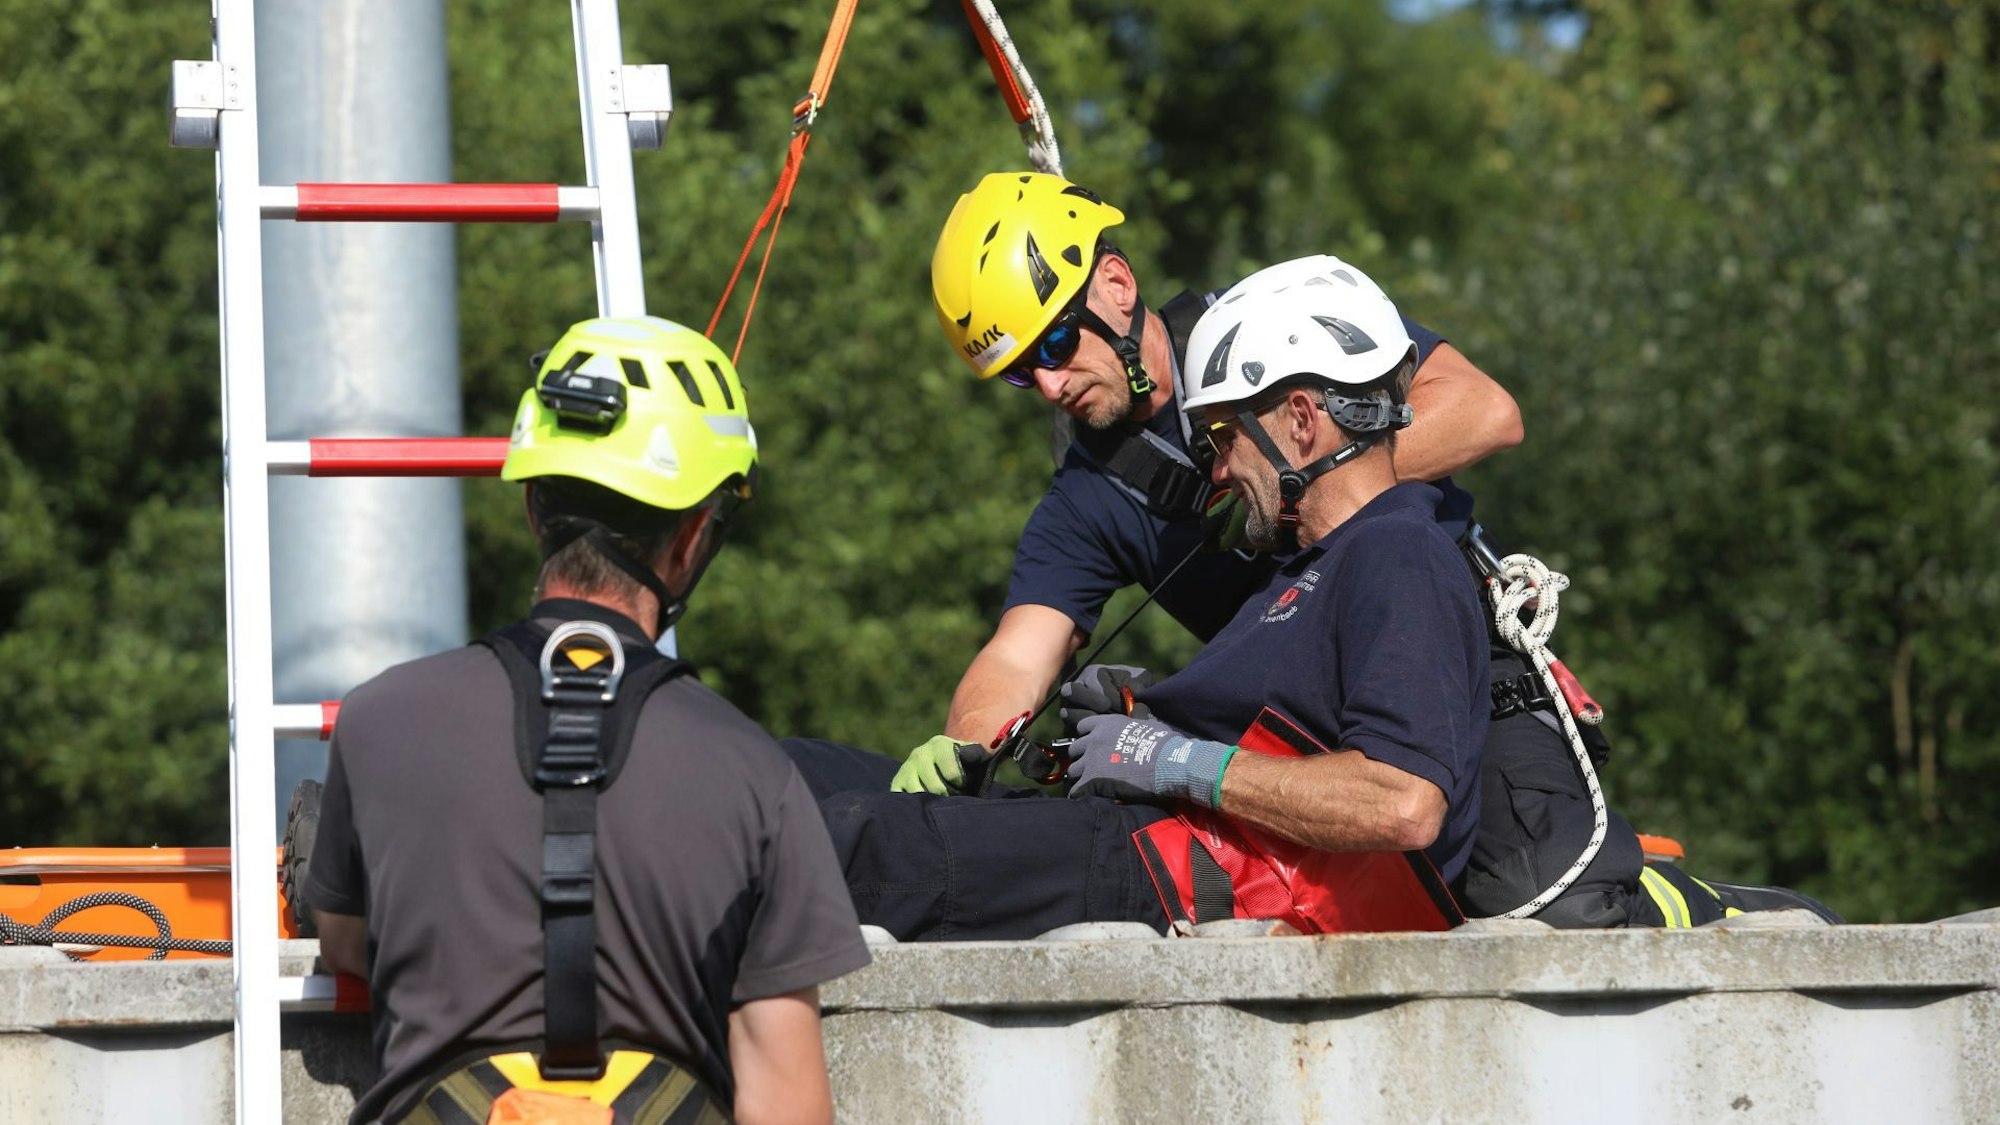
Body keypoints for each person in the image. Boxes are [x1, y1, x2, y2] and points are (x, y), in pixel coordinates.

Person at [889, 171, 1838, 930]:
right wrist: (963, 748)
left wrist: (1300, 487)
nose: (1050, 382)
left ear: (1116, 285)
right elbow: (1020, 652)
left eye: (1054, 340)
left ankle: (1689, 902)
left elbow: (1485, 411)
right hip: (1306, 736)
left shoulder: (1275, 331)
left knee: (1540, 902)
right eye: (1021, 375)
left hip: (1443, 665)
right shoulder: (1088, 499)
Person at [790, 266, 1486, 940]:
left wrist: (1176, 758)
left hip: (1197, 865)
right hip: (1160, 828)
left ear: (1302, 421)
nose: (1213, 471)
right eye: (1019, 371)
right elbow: (1019, 654)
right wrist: (1128, 718)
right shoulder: (1298, 573)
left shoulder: (1395, 551)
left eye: (1222, 439)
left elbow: (1403, 801)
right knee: (796, 773)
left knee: (862, 842)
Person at [306, 317, 871, 1125]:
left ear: (535, 506)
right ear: (691, 538)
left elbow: (347, 946)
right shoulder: (756, 776)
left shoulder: (378, 723)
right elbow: (788, 1107)